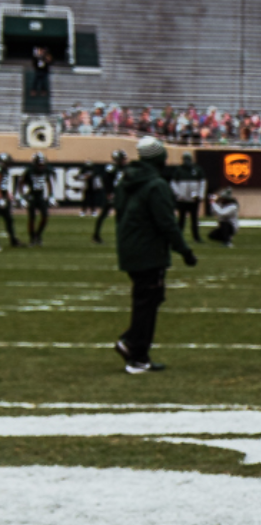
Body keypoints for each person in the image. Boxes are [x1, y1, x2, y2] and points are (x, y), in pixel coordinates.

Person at [111, 136, 197, 374]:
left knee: (148, 298)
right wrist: (185, 251)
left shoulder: (126, 181)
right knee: (148, 302)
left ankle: (131, 343)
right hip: (149, 251)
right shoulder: (156, 185)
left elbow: (119, 212)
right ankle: (137, 354)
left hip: (130, 248)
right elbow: (166, 223)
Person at [92, 150, 126, 244]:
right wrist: (109, 193)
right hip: (113, 194)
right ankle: (96, 235)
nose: (124, 160)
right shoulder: (112, 168)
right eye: (122, 158)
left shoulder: (123, 168)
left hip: (120, 194)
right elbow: (106, 180)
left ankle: (122, 236)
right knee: (105, 214)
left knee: (122, 215)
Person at [171, 153, 205, 243]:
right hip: (182, 199)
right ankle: (178, 238)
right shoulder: (179, 170)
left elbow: (202, 183)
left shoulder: (197, 169)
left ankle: (196, 237)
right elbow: (173, 183)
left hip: (194, 199)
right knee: (181, 219)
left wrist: (200, 195)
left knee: (194, 219)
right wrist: (178, 194)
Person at [24, 153, 55, 246]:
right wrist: (22, 196)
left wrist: (51, 195)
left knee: (45, 217)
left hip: (41, 196)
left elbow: (49, 182)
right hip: (32, 195)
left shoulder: (46, 171)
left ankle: (38, 235)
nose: (41, 167)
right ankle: (32, 238)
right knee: (32, 218)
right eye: (39, 164)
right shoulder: (29, 171)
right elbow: (21, 183)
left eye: (42, 164)